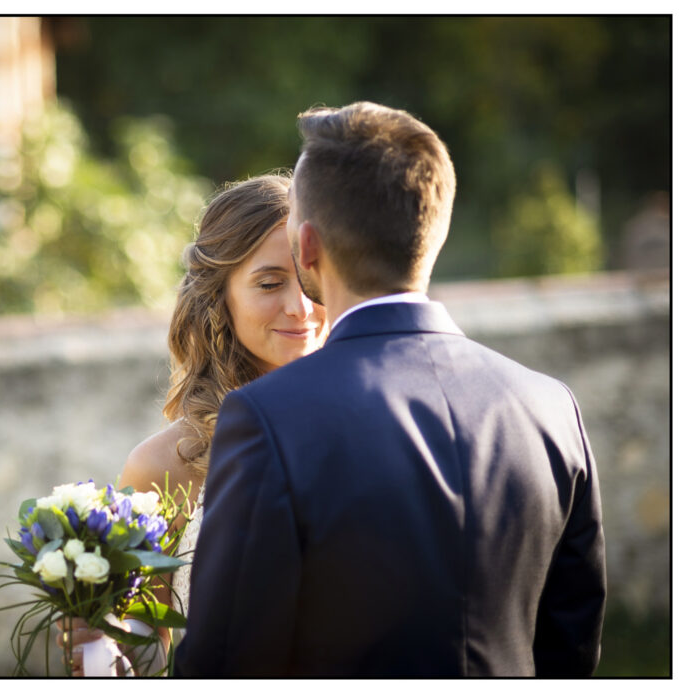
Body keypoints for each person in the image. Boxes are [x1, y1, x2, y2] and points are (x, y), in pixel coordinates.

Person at [173, 102, 606, 676]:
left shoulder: (269, 417)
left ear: (306, 249)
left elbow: (226, 664)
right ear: (436, 233)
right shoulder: (552, 406)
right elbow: (572, 648)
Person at [57, 174, 328, 675]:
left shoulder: (381, 425)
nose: (301, 308)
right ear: (219, 295)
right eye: (270, 284)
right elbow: (146, 652)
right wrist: (98, 649)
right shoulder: (164, 466)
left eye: (313, 282)